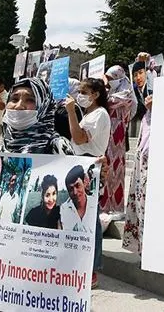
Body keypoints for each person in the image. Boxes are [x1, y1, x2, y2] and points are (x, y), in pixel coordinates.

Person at [65, 79, 110, 289]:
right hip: (82, 163)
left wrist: (72, 112)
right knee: (81, 216)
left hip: (90, 164)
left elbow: (80, 138)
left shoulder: (99, 114)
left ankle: (92, 269)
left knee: (90, 218)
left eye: (84, 92)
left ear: (96, 94)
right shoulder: (90, 115)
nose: (80, 95)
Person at [122, 63, 153, 256]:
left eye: (142, 73)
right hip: (141, 170)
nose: (138, 77)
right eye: (135, 74)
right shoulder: (146, 116)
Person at [0, 77, 72, 154]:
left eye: (30, 100)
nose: (19, 106)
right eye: (14, 99)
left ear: (44, 106)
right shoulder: (4, 142)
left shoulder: (58, 146)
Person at [100, 65, 137, 213]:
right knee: (105, 169)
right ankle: (103, 205)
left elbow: (110, 102)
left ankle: (115, 206)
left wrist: (102, 88)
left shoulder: (126, 92)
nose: (108, 81)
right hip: (106, 133)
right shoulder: (111, 91)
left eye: (110, 78)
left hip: (118, 135)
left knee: (116, 170)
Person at [61, 165, 93, 233]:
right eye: (71, 189)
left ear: (84, 183)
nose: (75, 192)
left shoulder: (95, 204)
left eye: (77, 186)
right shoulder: (63, 209)